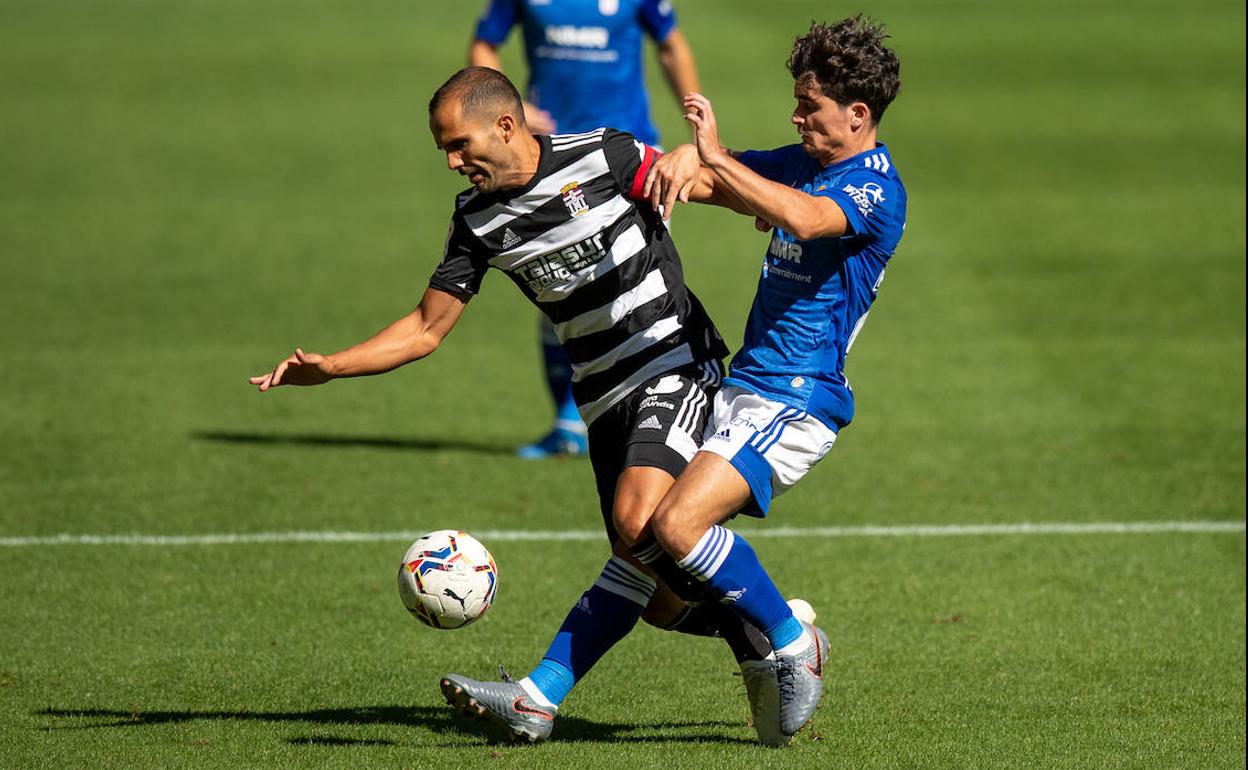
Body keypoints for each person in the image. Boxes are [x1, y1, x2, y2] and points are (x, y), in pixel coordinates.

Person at [249, 67, 778, 744]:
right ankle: (767, 633)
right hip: (602, 398)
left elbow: (702, 184)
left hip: (674, 362)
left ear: (506, 125)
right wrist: (330, 368)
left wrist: (768, 204)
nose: (452, 161)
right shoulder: (477, 221)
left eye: (459, 143)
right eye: (443, 148)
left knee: (638, 521)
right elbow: (425, 327)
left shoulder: (603, 157)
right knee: (661, 596)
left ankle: (542, 697)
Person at [638, 16, 907, 742]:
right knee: (659, 597)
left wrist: (718, 161)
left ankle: (790, 643)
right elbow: (711, 179)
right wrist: (667, 165)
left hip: (798, 400)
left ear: (857, 115)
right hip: (741, 391)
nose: (796, 116)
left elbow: (807, 218)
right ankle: (770, 631)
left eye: (809, 107)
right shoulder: (801, 160)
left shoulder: (875, 188)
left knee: (676, 525)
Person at [468, 0, 702, 459]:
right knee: (559, 288)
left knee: (632, 284)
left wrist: (695, 128)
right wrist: (512, 107)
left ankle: (660, 412)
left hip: (630, 156)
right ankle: (568, 423)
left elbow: (671, 45)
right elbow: (483, 45)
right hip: (551, 160)